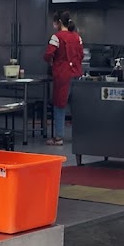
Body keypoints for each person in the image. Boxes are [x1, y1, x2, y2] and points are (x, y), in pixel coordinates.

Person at [44, 11, 83, 146]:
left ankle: (59, 137)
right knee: (76, 106)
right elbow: (81, 55)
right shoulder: (77, 37)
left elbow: (48, 54)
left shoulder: (56, 37)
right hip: (77, 74)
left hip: (62, 75)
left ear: (59, 22)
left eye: (55, 22)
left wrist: (52, 62)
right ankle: (79, 136)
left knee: (59, 105)